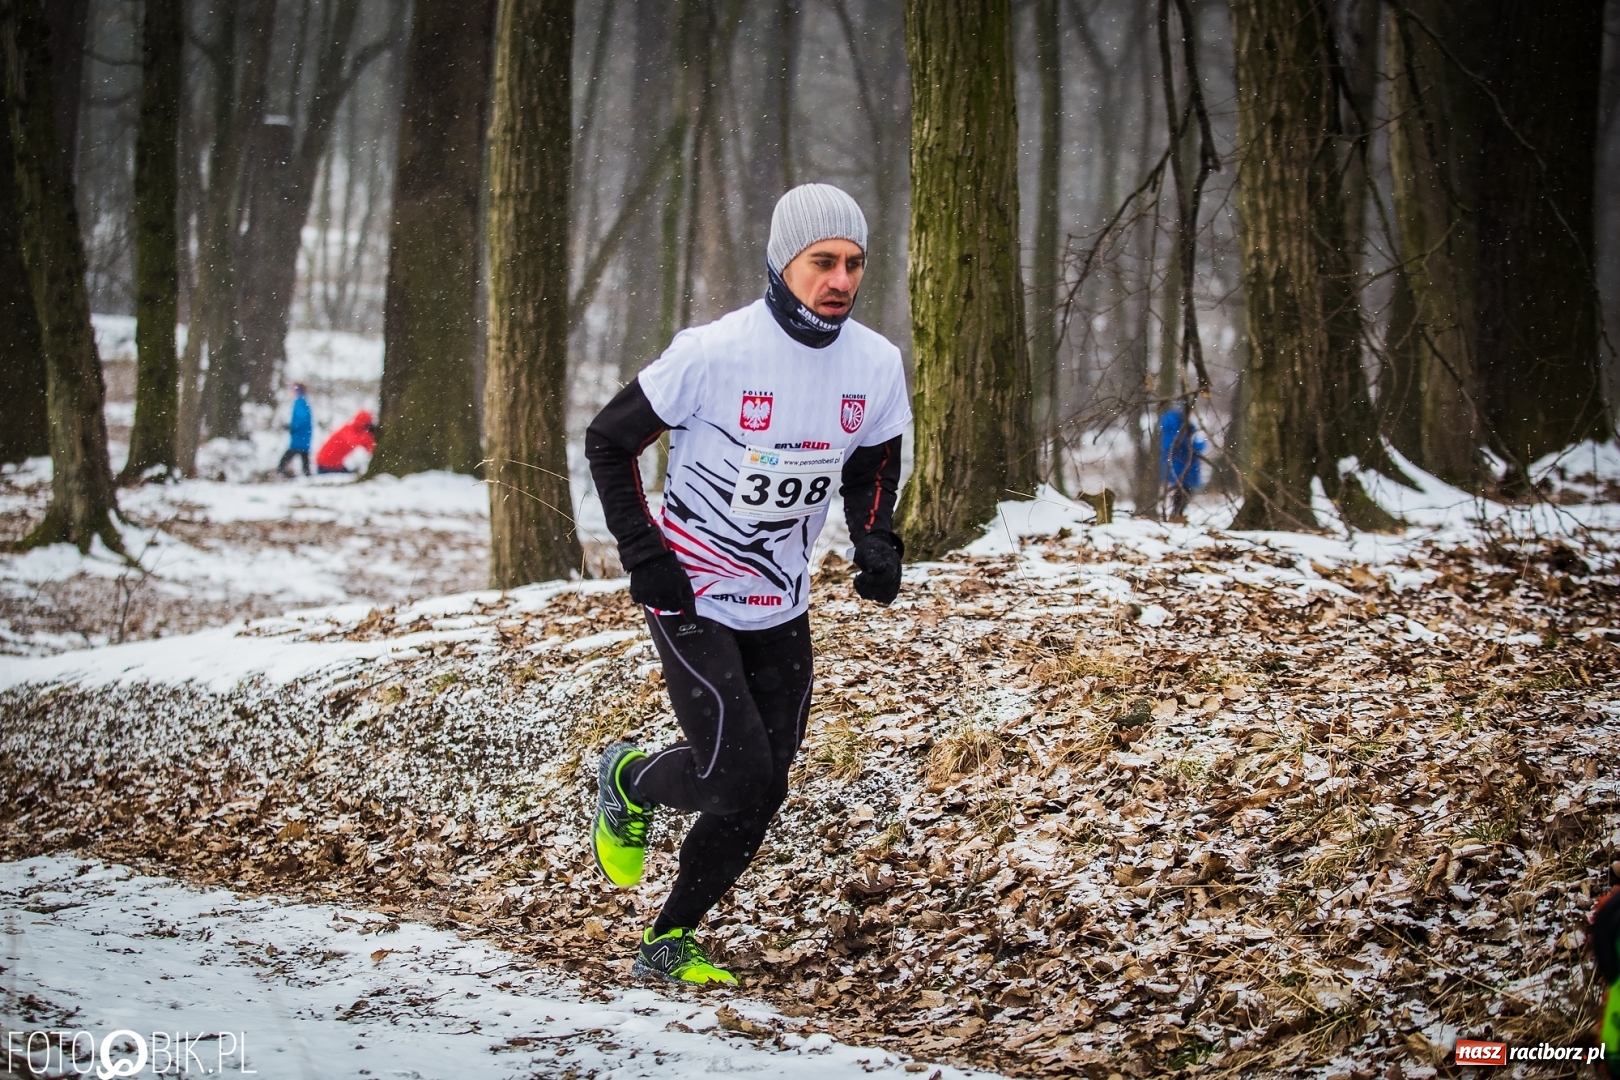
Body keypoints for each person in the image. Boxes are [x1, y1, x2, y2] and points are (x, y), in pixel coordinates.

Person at [584, 183, 911, 986]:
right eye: (822, 262)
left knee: (764, 788)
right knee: (735, 771)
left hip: (781, 602)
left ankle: (669, 938)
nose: (840, 279)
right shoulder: (714, 353)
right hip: (690, 593)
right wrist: (644, 554)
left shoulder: (874, 364)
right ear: (782, 261)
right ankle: (627, 777)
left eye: (854, 264)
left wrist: (876, 540)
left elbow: (872, 467)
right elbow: (607, 441)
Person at [1159, 405, 1205, 521]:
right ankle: (1176, 516)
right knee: (1182, 492)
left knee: (1182, 492)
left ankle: (1176, 515)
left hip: (1182, 463)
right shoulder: (1176, 426)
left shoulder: (1175, 424)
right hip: (1181, 463)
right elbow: (1182, 444)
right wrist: (1199, 445)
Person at [315, 410, 377, 474]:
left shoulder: (354, 431)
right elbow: (354, 442)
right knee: (352, 475)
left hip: (333, 464)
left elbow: (369, 448)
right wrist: (369, 435)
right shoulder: (348, 430)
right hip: (326, 465)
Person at [277, 383, 313, 477]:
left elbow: (302, 417)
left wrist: (293, 427)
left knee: (292, 452)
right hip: (303, 434)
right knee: (303, 454)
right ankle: (307, 473)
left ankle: (280, 470)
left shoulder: (300, 402)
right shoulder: (303, 401)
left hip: (300, 434)